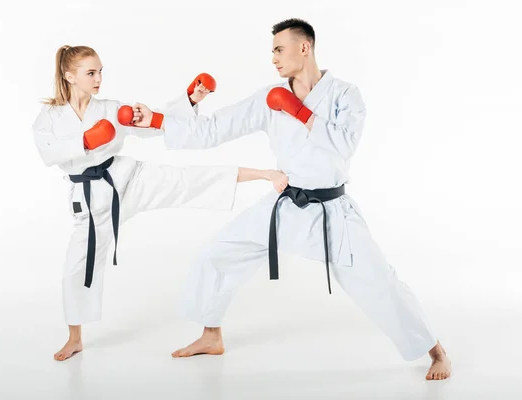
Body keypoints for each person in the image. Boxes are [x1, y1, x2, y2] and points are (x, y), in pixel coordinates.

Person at [133, 19, 451, 380]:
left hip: (332, 212)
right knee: (217, 253)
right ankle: (211, 336)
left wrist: (299, 111)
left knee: (380, 280)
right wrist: (158, 120)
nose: (273, 58)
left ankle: (436, 350)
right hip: (285, 204)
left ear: (305, 47)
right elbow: (213, 130)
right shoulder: (268, 98)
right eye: (272, 51)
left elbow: (344, 145)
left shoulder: (346, 95)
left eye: (279, 49)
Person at [32, 45, 289, 361]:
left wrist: (191, 99)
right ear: (69, 76)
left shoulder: (111, 108)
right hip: (91, 202)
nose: (99, 78)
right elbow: (48, 152)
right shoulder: (49, 117)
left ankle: (262, 173)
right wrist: (86, 141)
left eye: (100, 71)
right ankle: (74, 339)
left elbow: (153, 126)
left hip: (129, 180)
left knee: (186, 180)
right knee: (77, 266)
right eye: (91, 73)